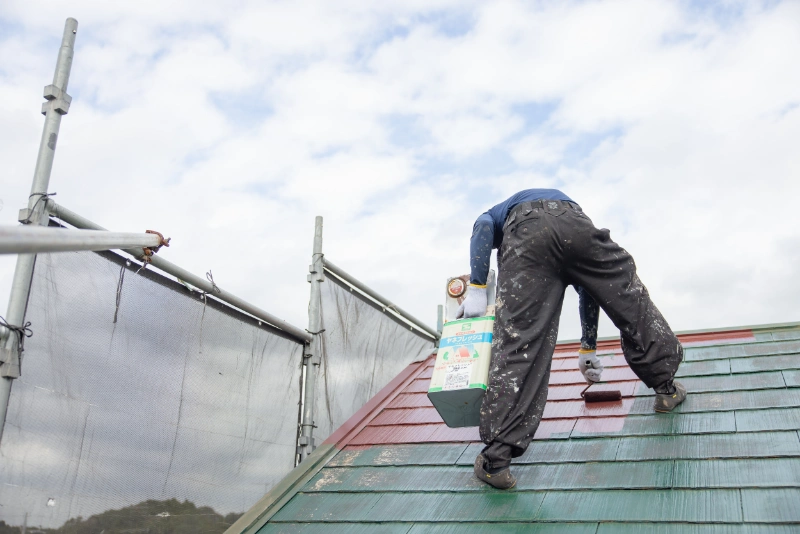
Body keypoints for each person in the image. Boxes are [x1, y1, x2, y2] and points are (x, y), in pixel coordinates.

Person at [458, 188, 686, 490]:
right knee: (625, 294)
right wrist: (587, 346)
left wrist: (476, 285)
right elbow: (591, 289)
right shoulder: (549, 202)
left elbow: (483, 229)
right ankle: (666, 388)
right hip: (574, 221)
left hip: (525, 231)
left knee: (520, 339)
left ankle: (496, 461)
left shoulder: (493, 216)